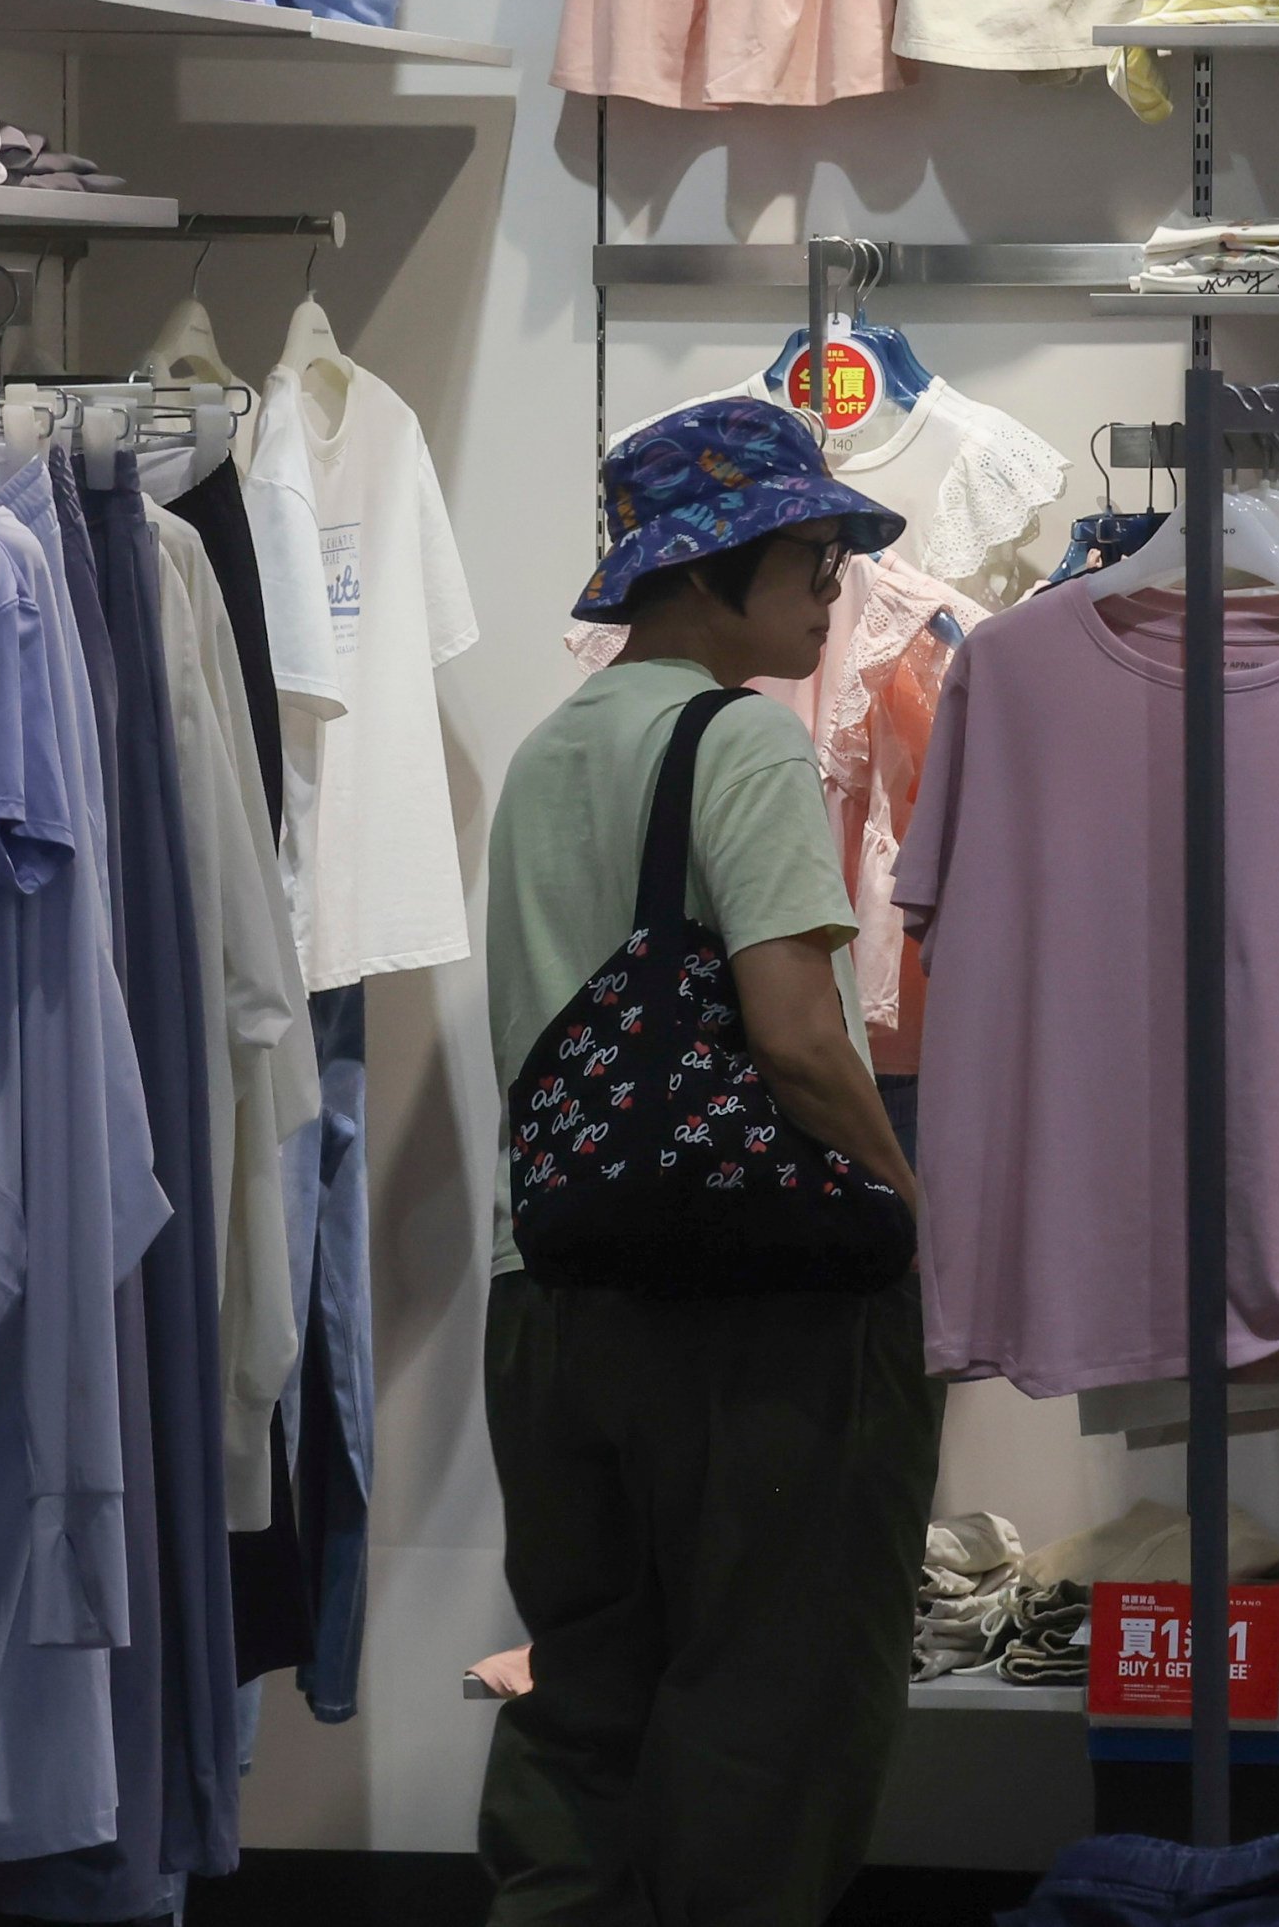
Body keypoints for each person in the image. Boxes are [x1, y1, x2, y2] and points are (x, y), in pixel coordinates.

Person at [478, 398, 943, 1925]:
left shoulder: (549, 754)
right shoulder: (736, 737)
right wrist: (909, 1204)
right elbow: (802, 1037)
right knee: (777, 1714)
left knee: (584, 1703)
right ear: (706, 573)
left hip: (548, 1297)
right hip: (744, 1320)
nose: (834, 589)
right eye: (811, 555)